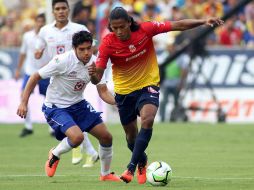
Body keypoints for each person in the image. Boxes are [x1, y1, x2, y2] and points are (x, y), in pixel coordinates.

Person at [88, 7, 223, 184]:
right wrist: (92, 74)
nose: (119, 31)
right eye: (114, 28)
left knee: (148, 119)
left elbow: (178, 25)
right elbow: (97, 77)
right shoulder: (107, 43)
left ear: (129, 22)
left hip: (147, 85)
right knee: (131, 138)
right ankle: (142, 161)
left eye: (121, 26)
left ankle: (130, 167)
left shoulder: (146, 29)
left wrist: (203, 21)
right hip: (124, 92)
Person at [17, 30, 120, 181]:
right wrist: (23, 103)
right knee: (77, 137)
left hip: (79, 104)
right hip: (55, 107)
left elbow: (103, 92)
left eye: (88, 48)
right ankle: (55, 154)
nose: (86, 53)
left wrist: (119, 102)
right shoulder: (62, 61)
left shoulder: (96, 63)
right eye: (81, 49)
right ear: (74, 48)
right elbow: (35, 76)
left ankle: (105, 175)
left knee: (106, 137)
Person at [35, 0, 98, 167]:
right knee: (68, 116)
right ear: (53, 11)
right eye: (58, 9)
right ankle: (86, 150)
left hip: (76, 74)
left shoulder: (79, 29)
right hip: (55, 74)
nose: (61, 11)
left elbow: (93, 48)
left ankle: (86, 150)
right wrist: (38, 52)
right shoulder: (45, 30)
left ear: (69, 10)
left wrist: (93, 65)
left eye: (64, 8)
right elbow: (39, 49)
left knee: (74, 113)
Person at [14, 13, 50, 137]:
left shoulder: (48, 35)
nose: (40, 23)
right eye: (38, 21)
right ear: (35, 22)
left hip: (45, 72)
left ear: (44, 23)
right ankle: (28, 126)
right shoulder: (27, 36)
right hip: (30, 71)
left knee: (49, 99)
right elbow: (23, 53)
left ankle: (52, 127)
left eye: (42, 21)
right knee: (23, 95)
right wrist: (18, 69)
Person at [159, 54, 189, 122]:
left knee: (176, 102)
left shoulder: (179, 57)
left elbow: (183, 70)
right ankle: (162, 118)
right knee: (164, 101)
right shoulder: (164, 56)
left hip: (176, 84)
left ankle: (175, 117)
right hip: (166, 84)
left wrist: (181, 83)